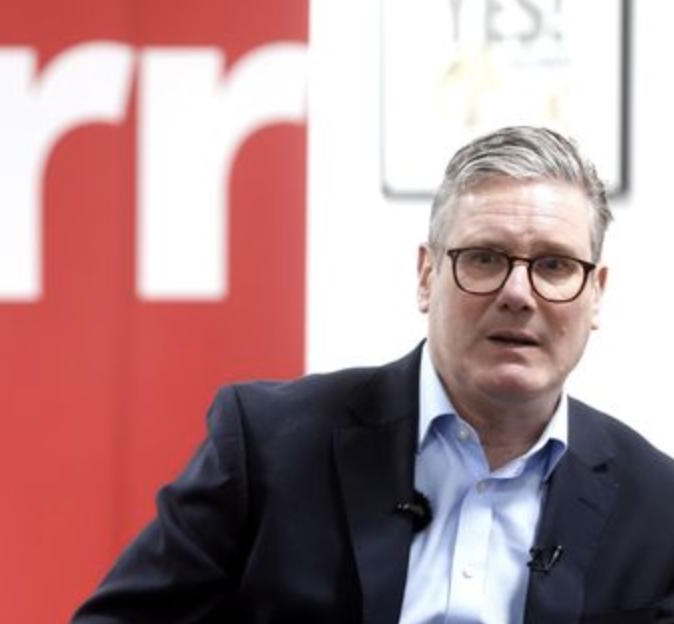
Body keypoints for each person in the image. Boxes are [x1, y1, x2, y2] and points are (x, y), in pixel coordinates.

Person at [71, 126, 674, 623]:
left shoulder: (659, 507)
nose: (518, 293)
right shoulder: (266, 445)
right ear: (426, 276)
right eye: (484, 258)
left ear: (596, 294)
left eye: (555, 266)